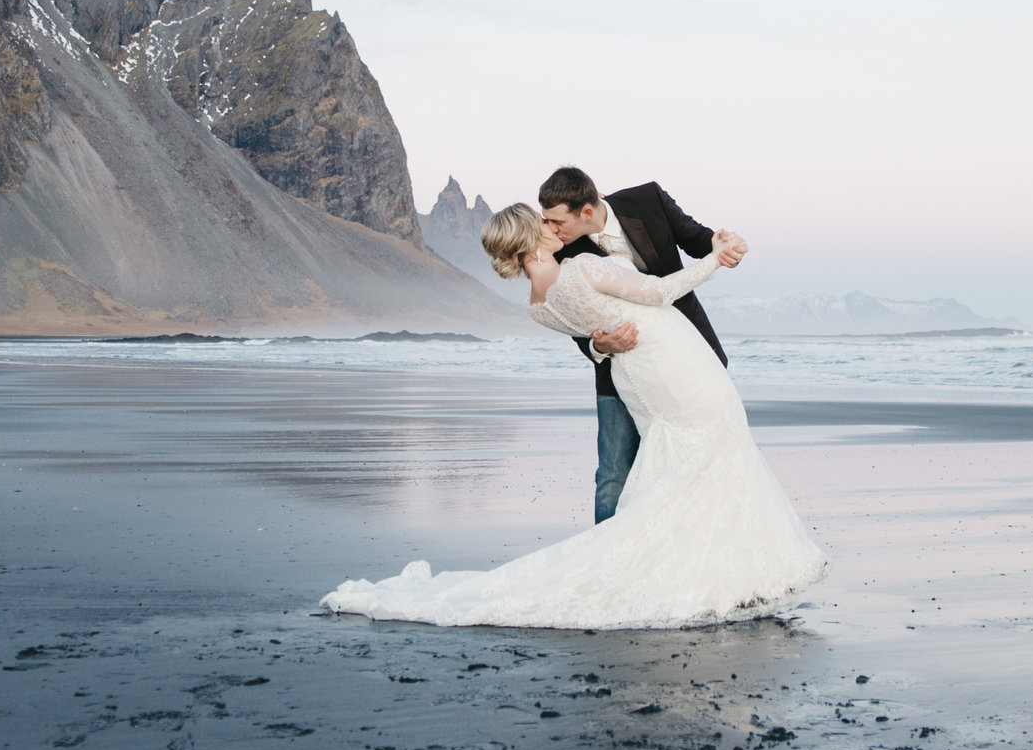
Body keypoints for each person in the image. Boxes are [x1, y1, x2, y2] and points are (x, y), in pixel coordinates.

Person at [317, 202, 826, 630]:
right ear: (529, 239)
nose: (551, 228)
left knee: (684, 459)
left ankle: (710, 568)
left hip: (637, 374)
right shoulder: (579, 269)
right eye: (542, 225)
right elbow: (659, 292)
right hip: (673, 364)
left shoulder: (537, 304)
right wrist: (715, 260)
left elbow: (596, 340)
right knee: (712, 444)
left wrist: (604, 348)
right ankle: (724, 572)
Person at [535, 167, 738, 524]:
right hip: (621, 372)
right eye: (545, 221)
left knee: (697, 456)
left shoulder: (647, 199)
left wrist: (723, 246)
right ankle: (606, 562)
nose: (550, 229)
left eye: (555, 221)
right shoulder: (562, 256)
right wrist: (601, 347)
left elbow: (697, 239)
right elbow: (574, 322)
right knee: (613, 473)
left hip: (687, 357)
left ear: (585, 212)